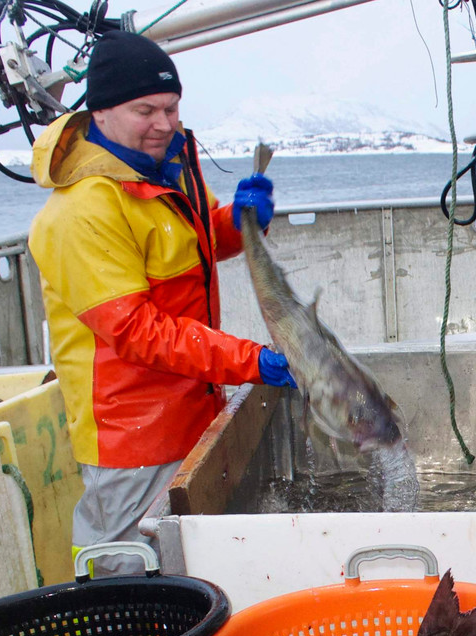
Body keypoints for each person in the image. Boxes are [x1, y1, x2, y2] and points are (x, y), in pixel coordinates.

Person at [28, 29, 297, 576]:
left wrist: (239, 223)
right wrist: (252, 362)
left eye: (172, 108)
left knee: (186, 563)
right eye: (144, 110)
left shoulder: (165, 167)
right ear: (100, 112)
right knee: (125, 571)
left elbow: (192, 251)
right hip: (131, 432)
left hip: (194, 404)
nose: (163, 123)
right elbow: (135, 330)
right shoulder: (83, 210)